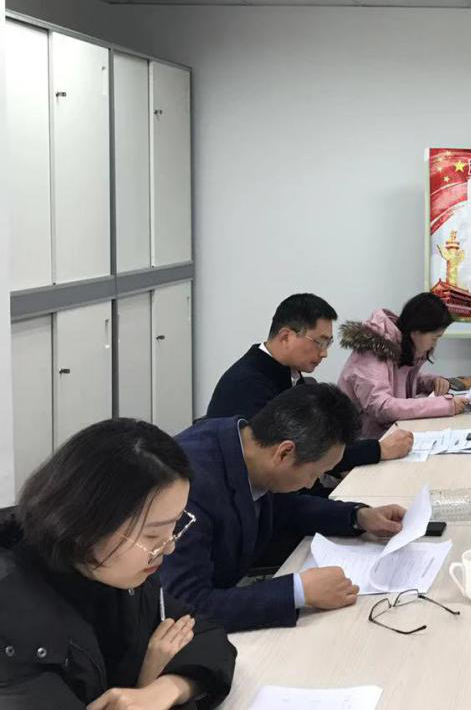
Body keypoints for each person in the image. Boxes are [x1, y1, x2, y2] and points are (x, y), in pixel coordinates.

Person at [0, 418, 236, 708]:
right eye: (152, 535)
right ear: (85, 525)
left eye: (175, 525)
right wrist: (143, 683)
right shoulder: (11, 618)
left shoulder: (115, 572)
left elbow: (203, 633)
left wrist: (165, 689)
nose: (169, 546)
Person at [163, 383, 408, 633]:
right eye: (315, 474)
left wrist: (358, 516)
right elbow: (186, 605)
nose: (312, 484)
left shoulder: (248, 445)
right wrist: (297, 592)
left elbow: (288, 508)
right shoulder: (188, 487)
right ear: (284, 453)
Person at [206, 293, 412, 467]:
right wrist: (379, 449)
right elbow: (302, 454)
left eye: (328, 344)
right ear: (286, 337)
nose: (324, 354)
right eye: (319, 343)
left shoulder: (287, 373)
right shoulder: (248, 384)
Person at [337, 292, 468, 438]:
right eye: (434, 338)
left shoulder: (400, 345)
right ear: (416, 332)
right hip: (360, 442)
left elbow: (397, 382)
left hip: (387, 435)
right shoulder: (372, 354)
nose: (434, 345)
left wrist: (429, 382)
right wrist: (444, 405)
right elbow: (382, 407)